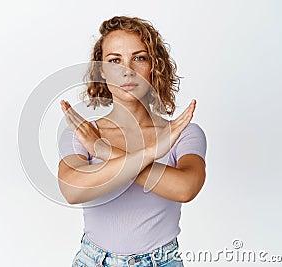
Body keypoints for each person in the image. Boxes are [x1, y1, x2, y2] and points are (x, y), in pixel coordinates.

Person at [57, 16, 207, 267]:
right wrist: (150, 153)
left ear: (154, 65)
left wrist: (104, 150)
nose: (127, 70)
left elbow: (185, 188)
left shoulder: (183, 133)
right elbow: (72, 191)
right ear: (102, 70)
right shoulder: (83, 133)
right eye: (115, 60)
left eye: (139, 57)